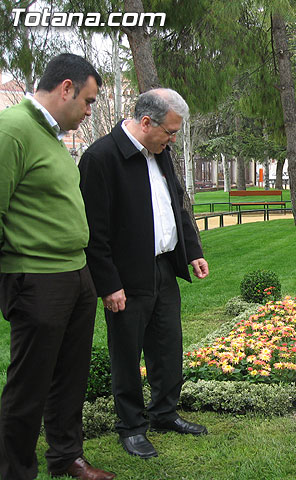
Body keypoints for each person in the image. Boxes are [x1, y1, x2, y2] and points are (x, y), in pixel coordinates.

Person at [0, 54, 115, 480]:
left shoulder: (51, 136)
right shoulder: (12, 129)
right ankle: (14, 471)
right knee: (29, 385)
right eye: (87, 101)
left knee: (70, 377)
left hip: (75, 273)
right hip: (36, 277)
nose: (89, 112)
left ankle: (66, 457)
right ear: (65, 88)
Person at [78, 88, 209, 460]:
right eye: (169, 132)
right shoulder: (101, 158)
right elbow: (94, 231)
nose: (172, 141)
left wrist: (192, 252)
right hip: (126, 276)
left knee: (167, 346)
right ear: (146, 122)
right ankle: (132, 427)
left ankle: (165, 413)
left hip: (165, 266)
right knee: (126, 353)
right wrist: (109, 284)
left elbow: (176, 207)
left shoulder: (161, 154)